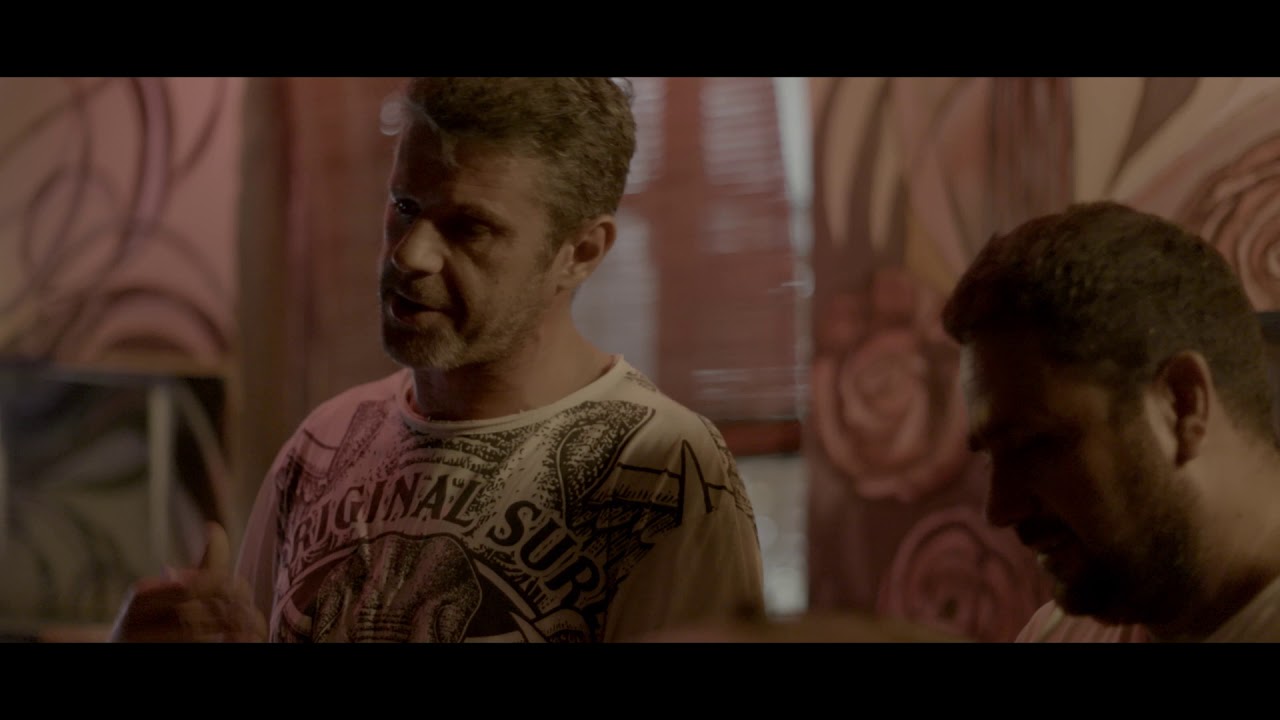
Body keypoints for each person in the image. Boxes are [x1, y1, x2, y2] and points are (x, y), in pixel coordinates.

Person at [109, 77, 765, 643]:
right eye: (405, 207)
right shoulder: (321, 448)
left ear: (582, 252)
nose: (410, 254)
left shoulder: (664, 470)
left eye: (469, 227)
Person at [940, 200, 1280, 642]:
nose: (1000, 508)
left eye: (1033, 445)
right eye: (992, 458)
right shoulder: (1057, 635)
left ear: (1181, 404)